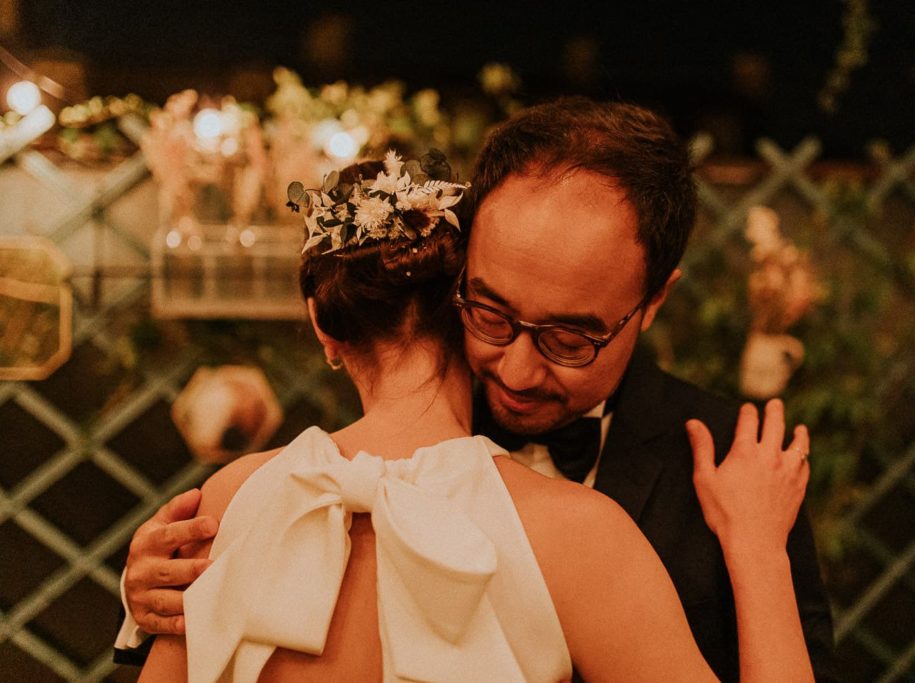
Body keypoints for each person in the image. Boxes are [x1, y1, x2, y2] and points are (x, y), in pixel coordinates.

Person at [117, 98, 837, 680]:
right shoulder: (325, 482)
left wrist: (758, 554)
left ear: (652, 301)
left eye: (569, 338)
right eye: (489, 313)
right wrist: (152, 601)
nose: (518, 371)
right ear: (453, 271)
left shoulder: (737, 468)